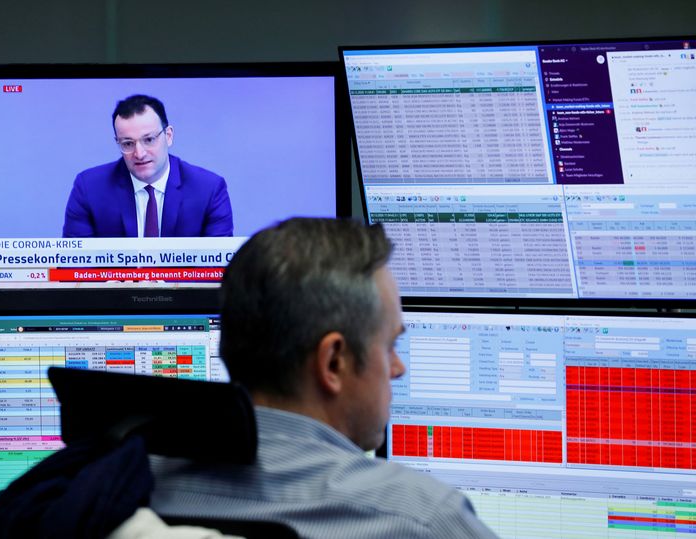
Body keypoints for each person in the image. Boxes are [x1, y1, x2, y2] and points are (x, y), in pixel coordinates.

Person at [150, 218, 498, 538]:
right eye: (390, 345)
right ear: (333, 363)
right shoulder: (420, 517)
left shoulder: (133, 487)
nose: (397, 368)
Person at [63, 94, 233, 238]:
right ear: (118, 143)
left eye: (149, 140)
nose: (139, 153)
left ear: (168, 136)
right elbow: (73, 264)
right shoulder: (89, 187)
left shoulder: (208, 188)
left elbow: (218, 268)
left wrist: (174, 280)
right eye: (128, 144)